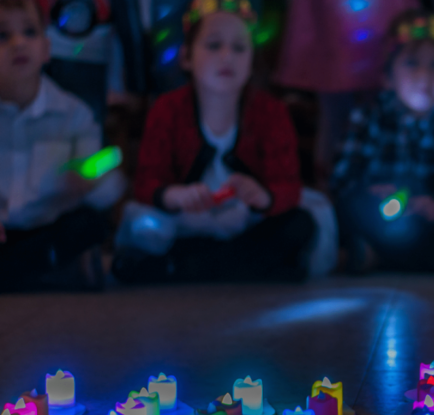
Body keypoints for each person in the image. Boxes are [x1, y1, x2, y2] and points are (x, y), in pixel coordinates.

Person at [112, 0, 317, 283]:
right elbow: (147, 181)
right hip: (184, 221)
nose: (226, 58)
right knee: (142, 225)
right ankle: (236, 267)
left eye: (238, 48)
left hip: (245, 222)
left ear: (251, 60)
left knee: (300, 224)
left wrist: (262, 196)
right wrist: (174, 196)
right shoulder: (167, 109)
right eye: (213, 46)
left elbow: (288, 184)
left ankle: (187, 267)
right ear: (186, 57)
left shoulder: (271, 113)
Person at [331, 10, 434, 275]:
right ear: (388, 77)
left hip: (429, 213)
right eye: (411, 63)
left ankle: (376, 257)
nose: (424, 75)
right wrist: (373, 193)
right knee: (348, 209)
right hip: (380, 212)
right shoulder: (368, 115)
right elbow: (343, 176)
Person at [0, 0, 125, 291]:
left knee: (89, 224)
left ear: (46, 49)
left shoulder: (74, 114)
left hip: (49, 227)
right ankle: (43, 271)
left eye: (29, 32)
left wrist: (88, 181)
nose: (18, 43)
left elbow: (106, 176)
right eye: (2, 36)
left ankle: (27, 271)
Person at [273, 0, 419, 186]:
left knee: (383, 103)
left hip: (378, 15)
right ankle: (331, 189)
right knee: (335, 108)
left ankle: (377, 184)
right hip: (333, 17)